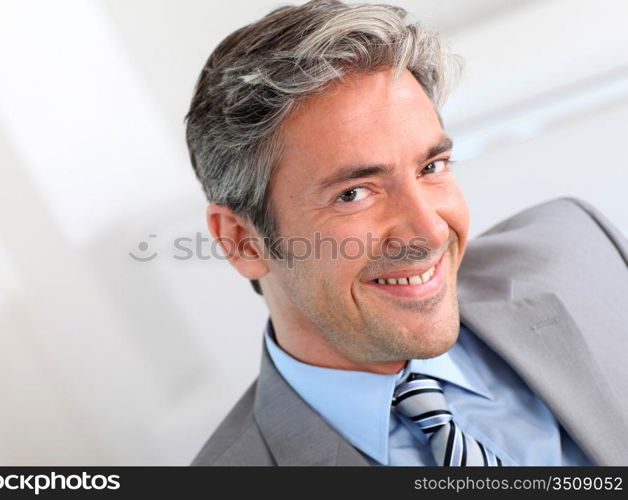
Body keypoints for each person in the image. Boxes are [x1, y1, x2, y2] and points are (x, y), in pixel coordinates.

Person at [184, 0, 628, 466]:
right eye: (354, 193)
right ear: (242, 240)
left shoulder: (582, 249)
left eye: (431, 167)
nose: (430, 230)